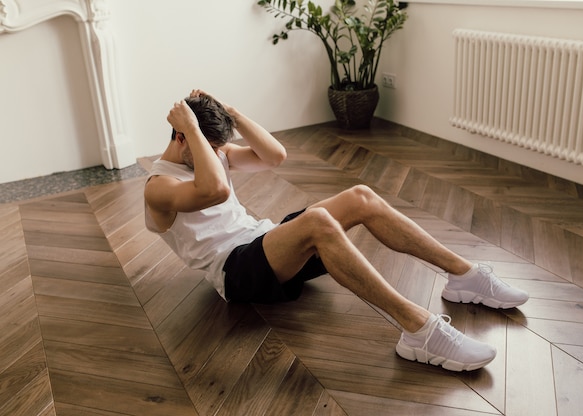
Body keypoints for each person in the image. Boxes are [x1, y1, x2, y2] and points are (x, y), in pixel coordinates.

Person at [144, 89, 529, 372]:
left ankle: (464, 276)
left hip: (266, 245)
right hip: (236, 273)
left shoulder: (214, 152)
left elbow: (275, 156)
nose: (217, 154)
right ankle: (419, 330)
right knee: (318, 221)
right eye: (208, 146)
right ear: (181, 138)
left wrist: (232, 113)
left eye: (218, 148)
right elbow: (215, 190)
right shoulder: (158, 187)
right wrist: (193, 128)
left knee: (360, 196)